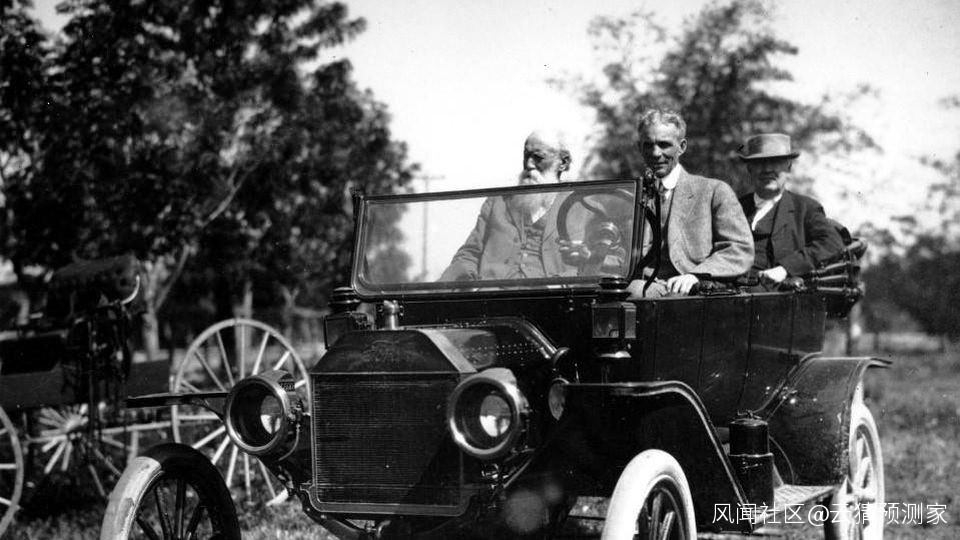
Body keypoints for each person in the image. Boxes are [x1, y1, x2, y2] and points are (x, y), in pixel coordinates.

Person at [627, 109, 754, 297]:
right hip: (641, 286)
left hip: (693, 292)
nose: (655, 153)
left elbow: (739, 249)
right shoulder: (629, 196)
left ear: (682, 147)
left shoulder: (714, 191)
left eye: (664, 145)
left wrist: (697, 275)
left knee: (636, 293)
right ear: (639, 148)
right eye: (648, 145)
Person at [439, 130, 575, 281]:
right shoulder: (498, 202)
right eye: (526, 156)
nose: (529, 164)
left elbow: (594, 264)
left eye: (538, 157)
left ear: (562, 163)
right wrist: (468, 285)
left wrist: (560, 285)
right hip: (494, 292)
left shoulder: (581, 209)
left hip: (552, 295)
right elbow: (469, 255)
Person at [737, 133, 844, 286]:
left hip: (779, 294)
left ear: (788, 167)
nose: (767, 169)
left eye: (775, 162)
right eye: (759, 163)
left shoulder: (805, 208)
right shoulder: (733, 207)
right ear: (749, 168)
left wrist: (785, 269)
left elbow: (832, 243)